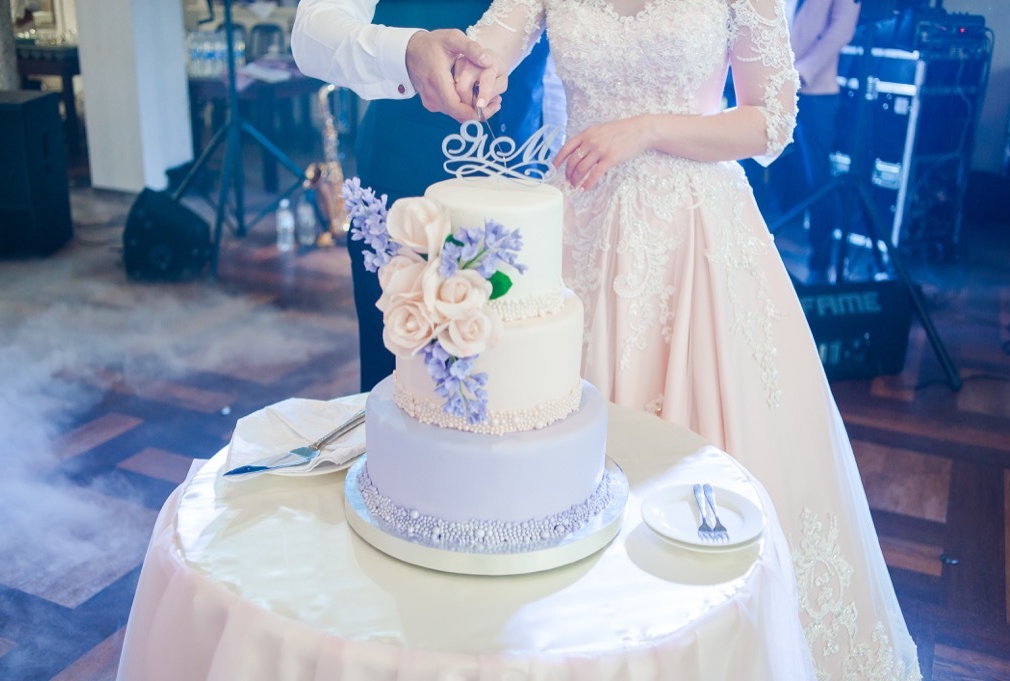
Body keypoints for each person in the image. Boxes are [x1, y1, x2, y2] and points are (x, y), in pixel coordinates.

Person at [461, 1, 920, 678]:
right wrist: (474, 73)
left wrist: (645, 129)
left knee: (706, 470)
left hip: (696, 240)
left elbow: (771, 120)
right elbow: (486, 49)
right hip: (578, 230)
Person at [291, 0, 551, 392]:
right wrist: (406, 52)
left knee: (520, 392)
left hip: (525, 195)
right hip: (400, 199)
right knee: (401, 395)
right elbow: (310, 32)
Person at [788, 0, 861, 283]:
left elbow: (841, 30)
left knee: (817, 179)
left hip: (814, 88)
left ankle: (819, 262)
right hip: (768, 81)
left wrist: (803, 71)